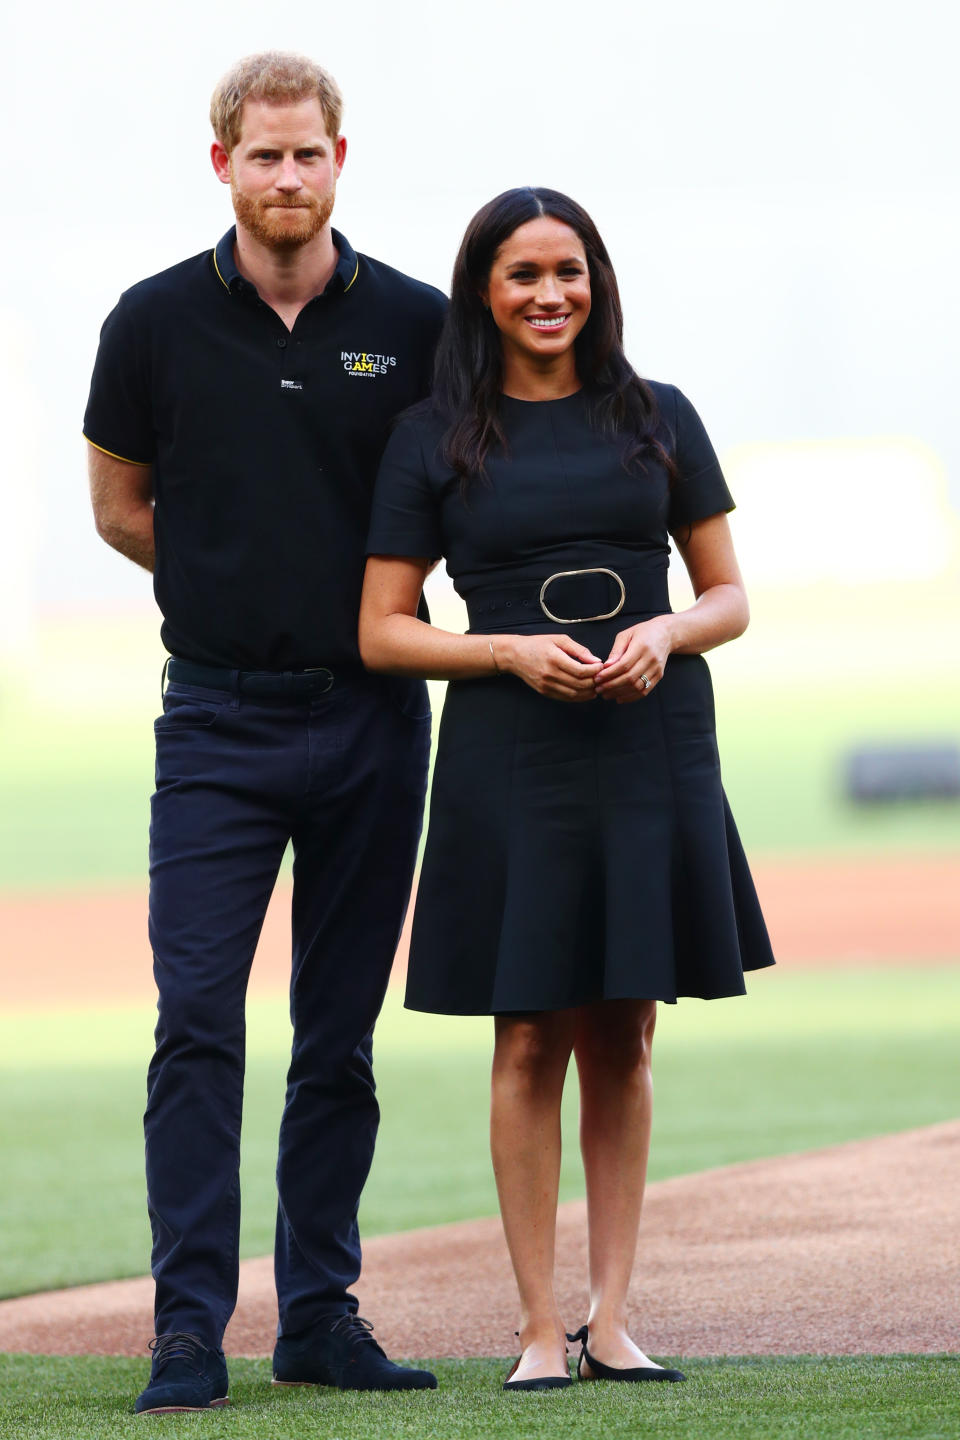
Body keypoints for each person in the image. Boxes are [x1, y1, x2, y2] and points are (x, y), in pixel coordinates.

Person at [359, 187, 776, 1391]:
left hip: (651, 742)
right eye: (524, 273)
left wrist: (670, 633)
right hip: (510, 752)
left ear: (597, 281)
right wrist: (507, 653)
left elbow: (729, 595)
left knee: (627, 1031)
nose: (551, 294)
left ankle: (613, 1317)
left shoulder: (658, 415)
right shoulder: (434, 435)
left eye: (571, 270)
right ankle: (540, 1328)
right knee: (530, 1029)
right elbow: (384, 631)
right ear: (482, 291)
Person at [84, 52, 445, 1414]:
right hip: (218, 723)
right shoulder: (154, 321)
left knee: (339, 1036)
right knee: (194, 1024)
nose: (286, 177)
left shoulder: (415, 322)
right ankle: (188, 1330)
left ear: (340, 160)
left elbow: (453, 496)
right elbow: (120, 503)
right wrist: (228, 577)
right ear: (221, 164)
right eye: (263, 155)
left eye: (308, 154)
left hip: (372, 721)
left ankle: (321, 1316)